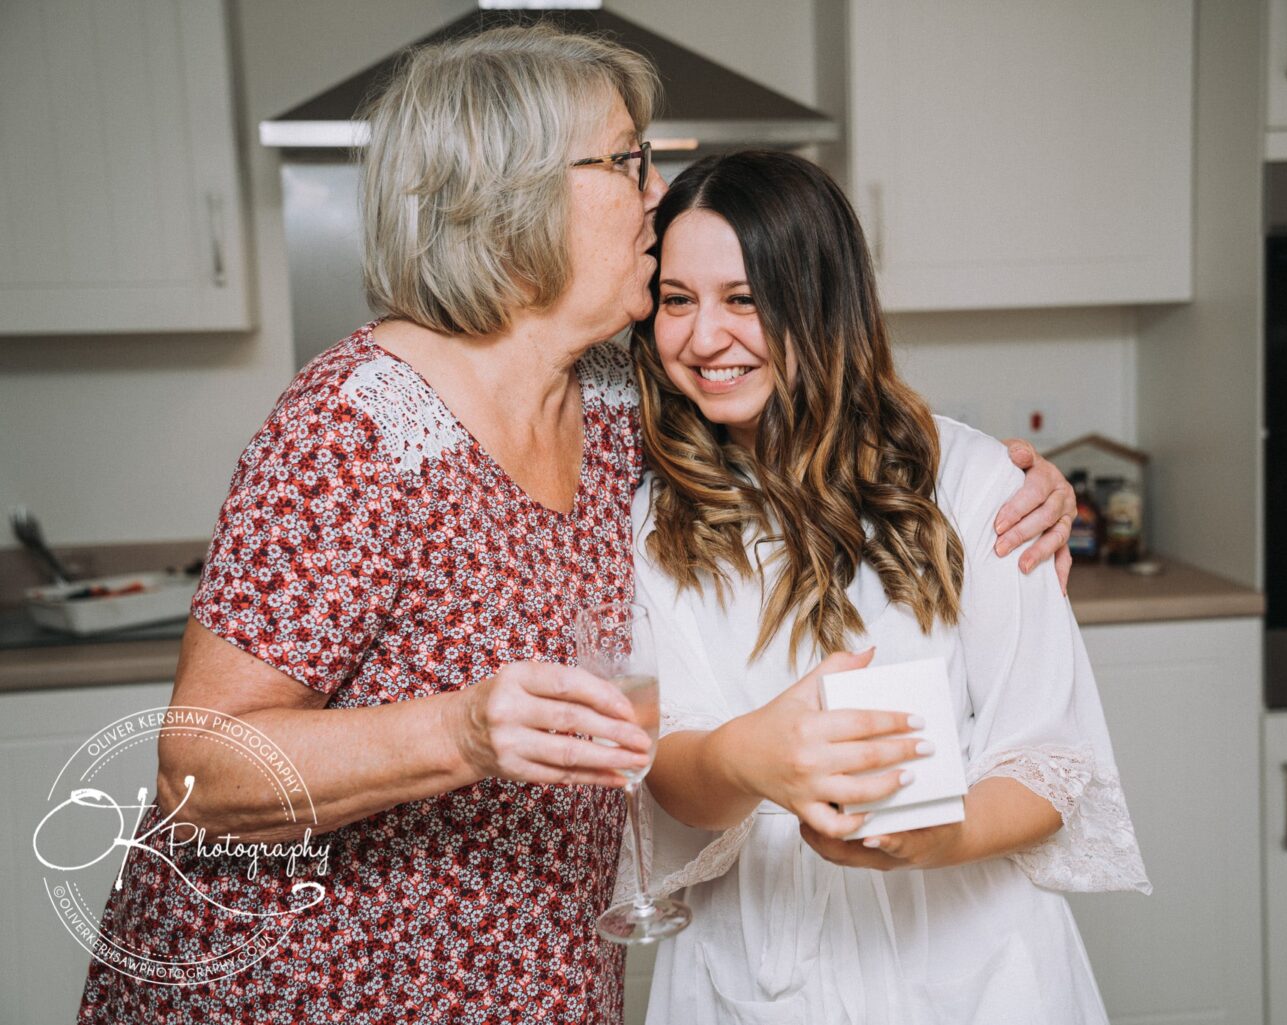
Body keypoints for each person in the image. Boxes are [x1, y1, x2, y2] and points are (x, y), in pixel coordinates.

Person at [76, 26, 1076, 1025]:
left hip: (528, 980)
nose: (657, 192)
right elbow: (200, 767)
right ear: (509, 195)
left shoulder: (612, 401)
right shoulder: (353, 428)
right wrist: (461, 729)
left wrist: (1001, 482)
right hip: (311, 987)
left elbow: (802, 402)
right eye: (628, 161)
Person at [626, 150, 1151, 1025]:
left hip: (974, 969)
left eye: (745, 299)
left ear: (822, 301)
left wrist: (933, 836)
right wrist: (747, 758)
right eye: (677, 300)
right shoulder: (651, 517)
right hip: (754, 970)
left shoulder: (975, 482)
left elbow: (1050, 762)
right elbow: (670, 773)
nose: (704, 337)